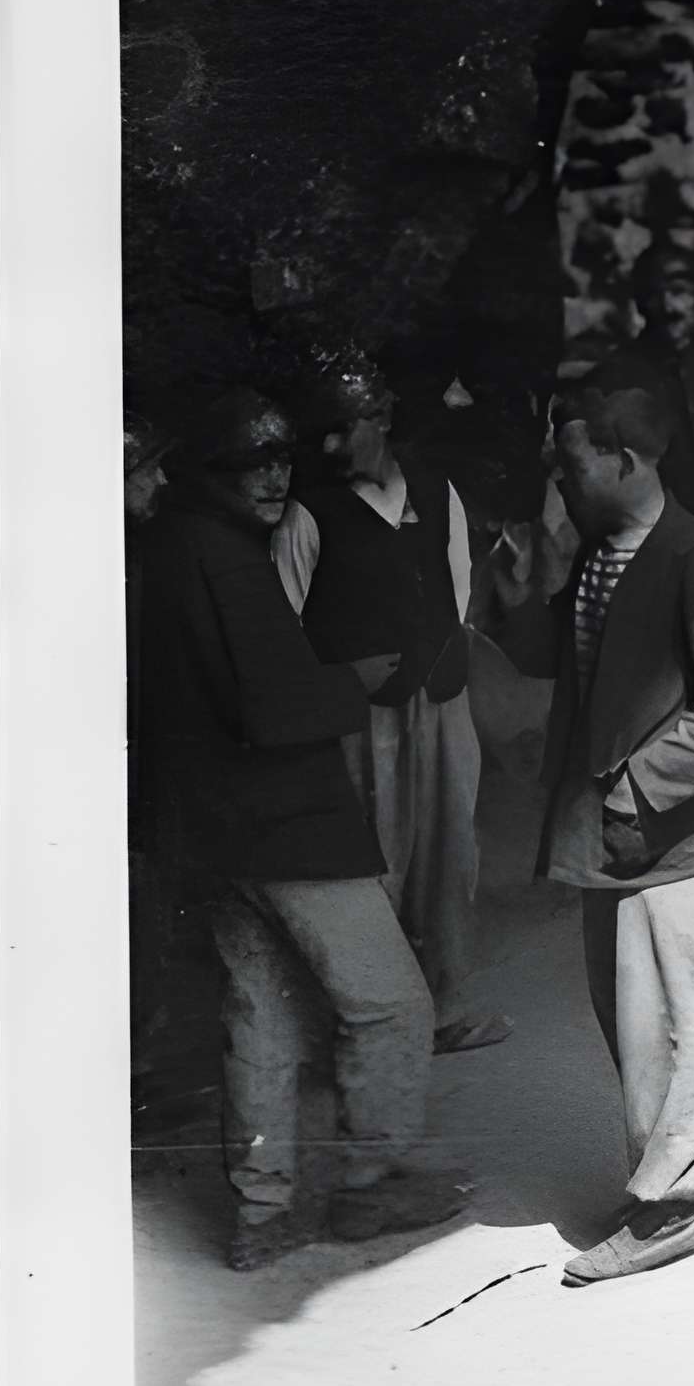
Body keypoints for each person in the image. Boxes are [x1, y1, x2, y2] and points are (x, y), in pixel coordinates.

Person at [133, 388, 467, 1270]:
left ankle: (260, 1215)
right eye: (253, 463)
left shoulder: (163, 552)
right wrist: (349, 680)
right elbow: (272, 706)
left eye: (283, 459)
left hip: (210, 835)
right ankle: (372, 1187)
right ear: (207, 474)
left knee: (261, 1020)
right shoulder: (225, 557)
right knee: (392, 1003)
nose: (275, 476)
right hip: (286, 821)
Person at [493, 373, 694, 1285]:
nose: (558, 476)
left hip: (666, 834)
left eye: (570, 459)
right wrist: (515, 591)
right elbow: (565, 662)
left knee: (669, 1022)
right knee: (641, 1013)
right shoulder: (597, 552)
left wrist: (638, 787)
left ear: (626, 458)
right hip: (615, 833)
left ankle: (670, 1210)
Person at [274, 352, 509, 1054]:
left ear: (378, 423)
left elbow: (461, 591)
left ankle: (448, 1009)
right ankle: (377, 1027)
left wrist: (443, 663)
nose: (330, 447)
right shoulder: (308, 515)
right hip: (361, 722)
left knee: (450, 853)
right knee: (377, 858)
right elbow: (286, 628)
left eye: (342, 430)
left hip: (441, 702)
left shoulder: (437, 493)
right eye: (323, 433)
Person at [602, 242, 694, 531]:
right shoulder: (613, 377)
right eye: (653, 294)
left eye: (679, 291)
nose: (667, 307)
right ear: (639, 302)